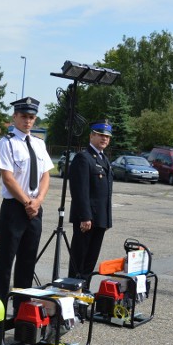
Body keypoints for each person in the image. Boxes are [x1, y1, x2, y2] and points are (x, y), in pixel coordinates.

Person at [0, 97, 54, 305]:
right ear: (15, 116)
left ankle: (22, 310)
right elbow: (7, 177)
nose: (28, 121)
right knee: (5, 262)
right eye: (24, 116)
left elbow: (46, 175)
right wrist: (28, 202)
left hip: (35, 209)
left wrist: (38, 201)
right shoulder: (7, 143)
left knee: (27, 262)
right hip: (15, 208)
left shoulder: (39, 143)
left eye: (31, 117)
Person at [68, 120, 114, 280]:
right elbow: (80, 191)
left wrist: (106, 220)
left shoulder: (104, 159)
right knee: (79, 260)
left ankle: (83, 295)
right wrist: (85, 216)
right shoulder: (84, 158)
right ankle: (73, 293)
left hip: (99, 219)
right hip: (87, 220)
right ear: (91, 135)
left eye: (107, 136)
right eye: (101, 135)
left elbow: (105, 194)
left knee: (90, 262)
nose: (105, 139)